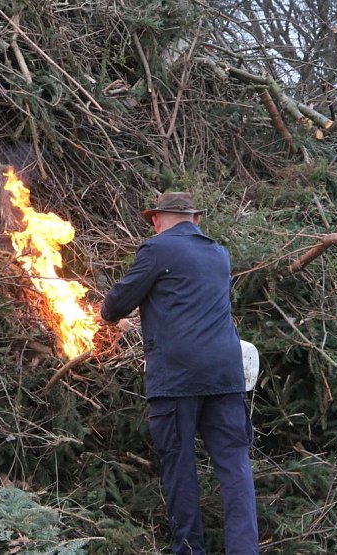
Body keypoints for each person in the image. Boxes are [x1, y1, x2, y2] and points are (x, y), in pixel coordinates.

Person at [100, 191, 259, 555]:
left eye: (154, 220)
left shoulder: (157, 250)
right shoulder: (220, 254)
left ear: (157, 219)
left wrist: (107, 313)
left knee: (180, 467)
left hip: (178, 378)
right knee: (235, 466)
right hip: (226, 372)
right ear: (196, 220)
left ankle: (189, 550)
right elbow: (189, 306)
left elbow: (117, 303)